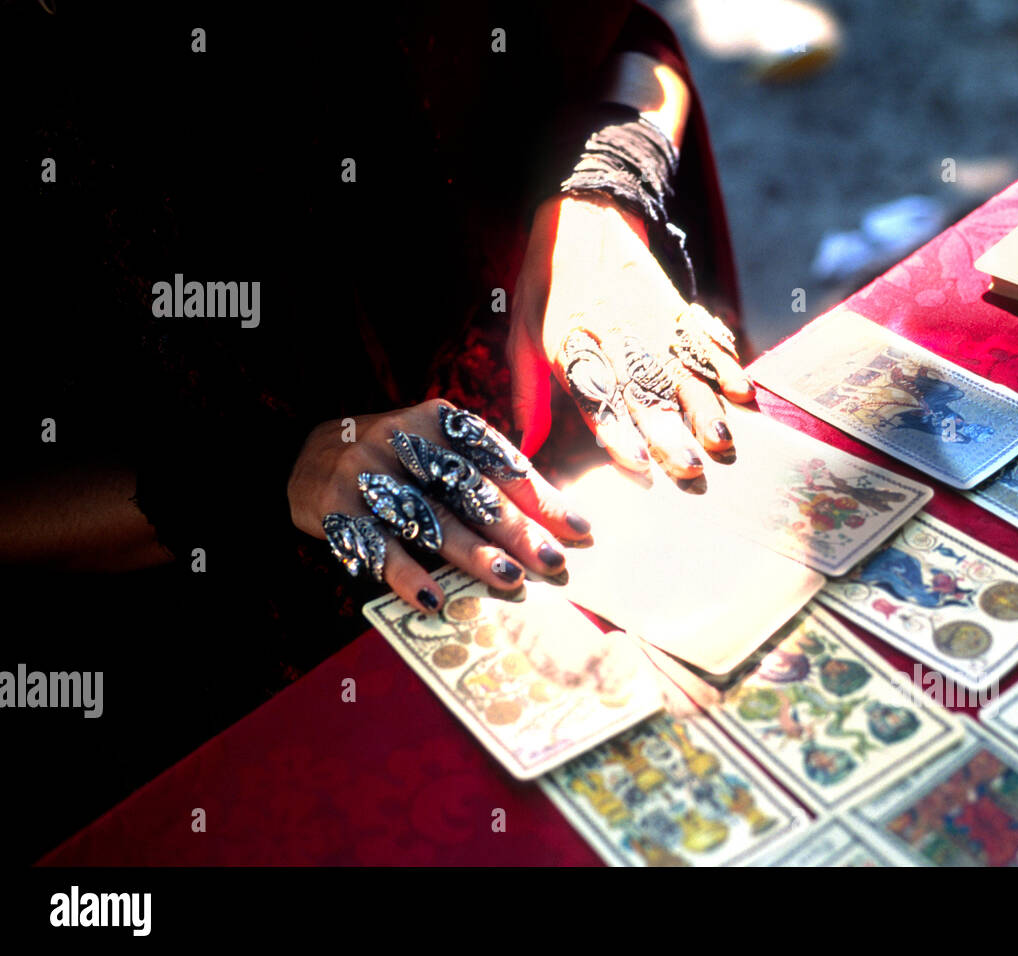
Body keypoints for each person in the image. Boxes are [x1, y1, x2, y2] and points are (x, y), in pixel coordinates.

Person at [2, 1, 748, 861]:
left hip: (548, 491)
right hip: (192, 673)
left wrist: (599, 200)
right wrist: (260, 477)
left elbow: (624, 46)